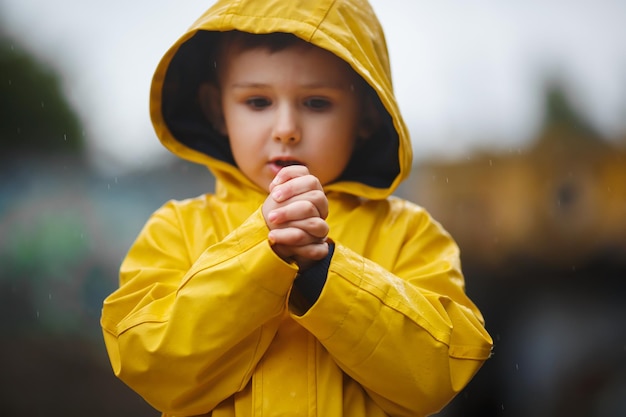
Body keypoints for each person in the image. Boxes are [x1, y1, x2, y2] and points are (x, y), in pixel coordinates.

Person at [100, 0, 493, 416]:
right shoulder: (176, 228)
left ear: (366, 119)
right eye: (257, 102)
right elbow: (148, 361)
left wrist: (326, 274)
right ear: (218, 111)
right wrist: (261, 256)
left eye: (316, 103)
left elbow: (439, 371)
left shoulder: (408, 233)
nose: (285, 129)